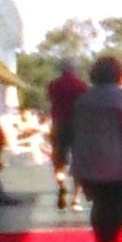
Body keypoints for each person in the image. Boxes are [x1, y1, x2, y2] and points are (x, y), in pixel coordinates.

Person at [68, 56, 122, 242]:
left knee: (100, 203)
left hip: (88, 158)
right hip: (116, 159)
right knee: (117, 203)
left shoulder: (84, 98)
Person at [45, 58, 88, 209]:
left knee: (58, 161)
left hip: (59, 125)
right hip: (77, 126)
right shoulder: (81, 86)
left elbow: (50, 101)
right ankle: (76, 198)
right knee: (79, 162)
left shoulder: (53, 85)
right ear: (74, 69)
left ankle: (61, 183)